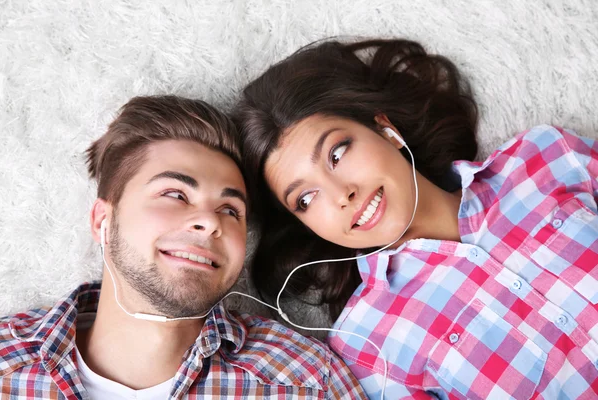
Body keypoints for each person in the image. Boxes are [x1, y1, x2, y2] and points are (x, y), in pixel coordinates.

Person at [235, 38, 598, 399]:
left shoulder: (543, 157)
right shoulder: (368, 346)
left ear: (386, 131)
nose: (341, 195)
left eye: (337, 153)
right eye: (306, 198)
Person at [0, 95, 367, 399]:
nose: (209, 221)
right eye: (175, 194)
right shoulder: (5, 362)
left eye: (229, 209)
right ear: (101, 221)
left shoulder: (305, 380)